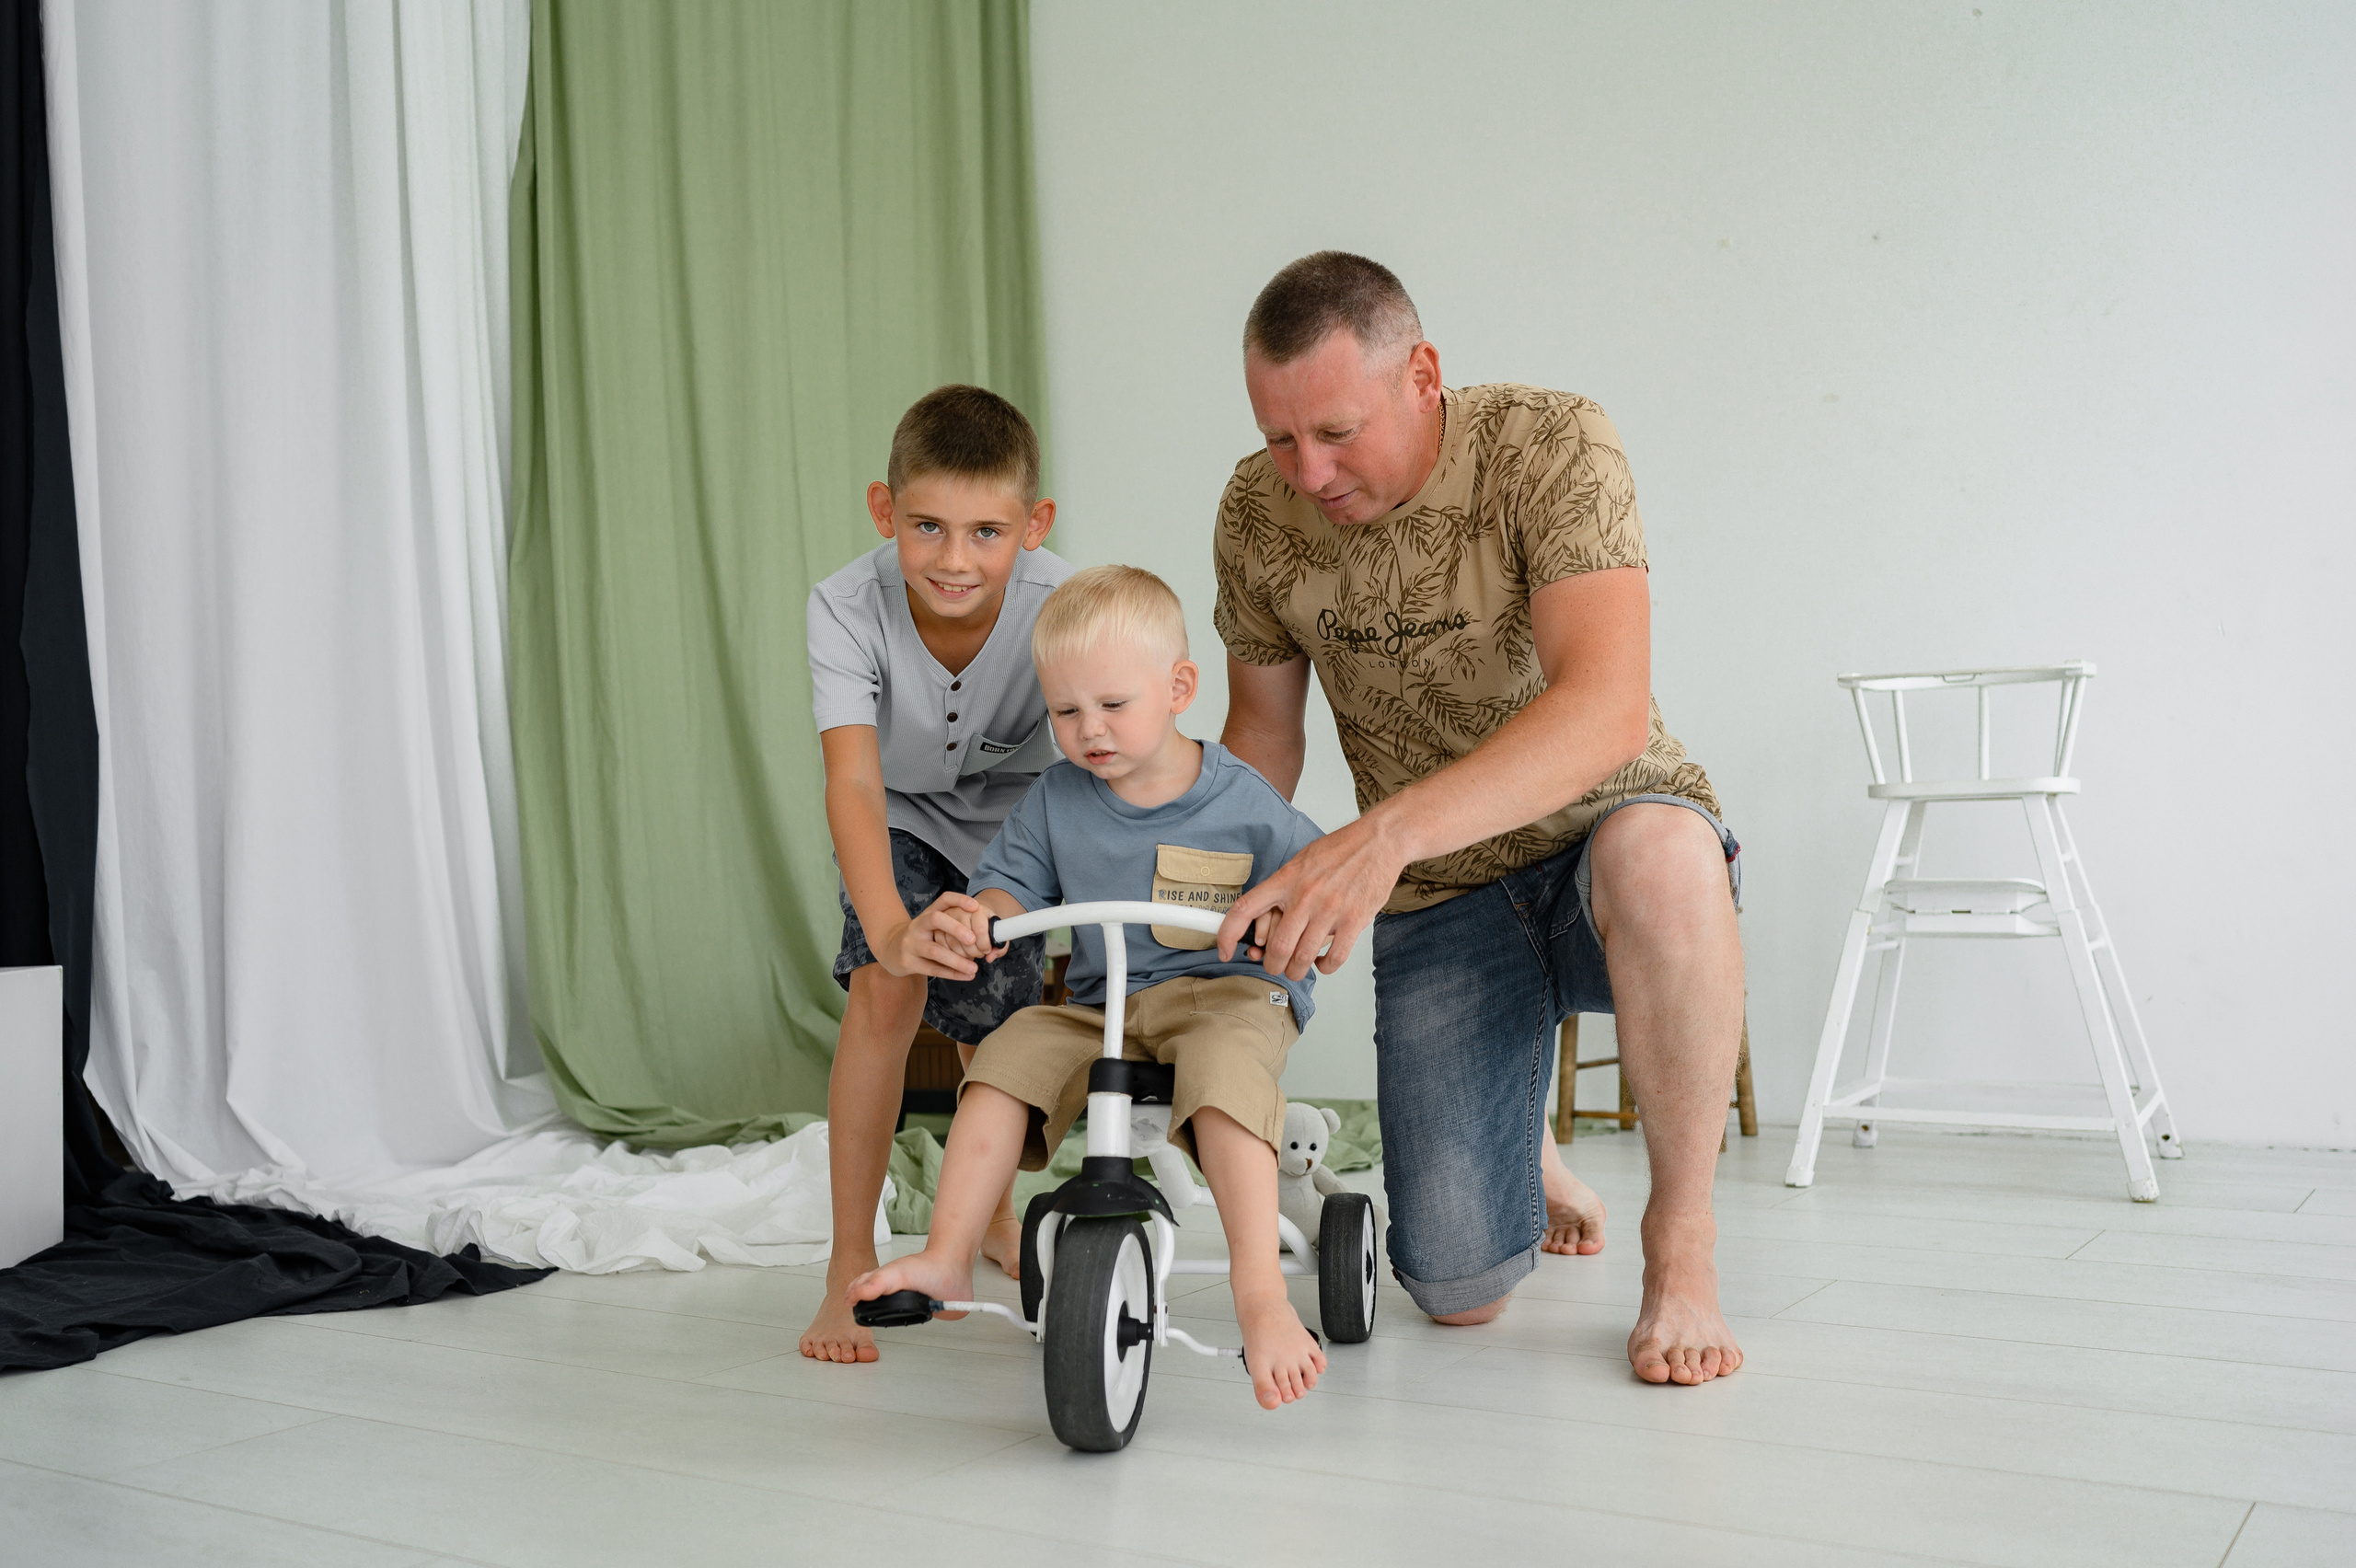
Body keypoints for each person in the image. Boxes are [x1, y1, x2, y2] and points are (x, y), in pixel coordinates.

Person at [1210, 253, 1748, 1386]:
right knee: (1457, 1294)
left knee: (1665, 849)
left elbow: (1604, 707)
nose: (1309, 472)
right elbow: (1260, 738)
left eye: (1337, 433)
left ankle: (1681, 1241)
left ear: (1421, 376)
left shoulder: (1550, 442)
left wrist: (1382, 837)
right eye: (1280, 438)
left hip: (1603, 846)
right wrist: (1191, 895)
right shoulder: (1256, 513)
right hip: (1447, 897)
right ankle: (1523, 1140)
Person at [849, 564, 1331, 1410]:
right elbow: (1010, 886)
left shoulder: (1244, 801)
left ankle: (1260, 1292)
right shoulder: (1056, 798)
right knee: (1005, 1055)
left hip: (1226, 998)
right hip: (1104, 1005)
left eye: (1112, 704)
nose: (1089, 730)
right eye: (1066, 712)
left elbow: (1317, 892)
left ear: (1179, 688)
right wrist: (981, 918)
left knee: (1221, 1066)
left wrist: (1303, 928)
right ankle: (947, 1254)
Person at [800, 386, 1071, 1364]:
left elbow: (1101, 755)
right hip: (900, 812)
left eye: (986, 532)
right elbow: (852, 781)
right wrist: (889, 930)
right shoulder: (842, 608)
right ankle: (850, 1259)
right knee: (887, 988)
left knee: (993, 1019)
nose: (955, 560)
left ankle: (990, 1214)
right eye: (928, 527)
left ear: (1032, 527)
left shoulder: (1064, 606)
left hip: (1018, 822)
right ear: (885, 511)